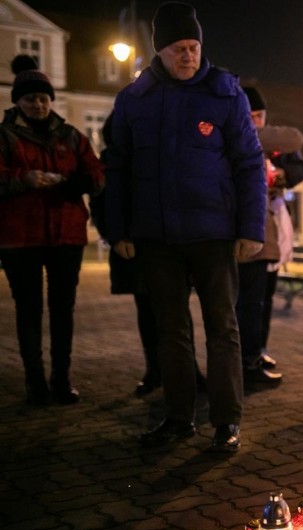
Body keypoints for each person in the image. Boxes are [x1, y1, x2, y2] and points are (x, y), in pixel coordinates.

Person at [105, 2, 267, 452]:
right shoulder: (134, 100)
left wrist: (252, 228)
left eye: (194, 47)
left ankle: (226, 422)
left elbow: (249, 163)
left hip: (214, 234)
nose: (188, 56)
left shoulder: (224, 92)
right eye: (178, 48)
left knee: (222, 328)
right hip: (156, 237)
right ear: (159, 51)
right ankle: (177, 418)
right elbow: (116, 167)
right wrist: (117, 230)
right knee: (170, 330)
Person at [0, 55, 104, 405]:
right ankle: (35, 382)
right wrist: (23, 179)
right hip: (20, 237)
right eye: (30, 99)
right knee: (28, 309)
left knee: (63, 309)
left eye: (43, 98)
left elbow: (97, 174)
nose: (39, 104)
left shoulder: (71, 136)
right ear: (18, 102)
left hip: (66, 235)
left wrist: (78, 183)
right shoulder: (5, 136)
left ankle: (62, 378)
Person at [89, 114, 205, 397]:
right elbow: (101, 205)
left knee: (177, 310)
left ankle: (188, 370)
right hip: (134, 248)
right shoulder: (108, 165)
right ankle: (155, 369)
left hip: (166, 245)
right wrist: (115, 237)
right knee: (147, 310)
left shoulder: (156, 158)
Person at [237, 85, 302, 384]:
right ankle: (247, 361)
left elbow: (296, 153)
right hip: (251, 233)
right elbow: (292, 138)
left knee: (261, 299)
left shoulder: (266, 142)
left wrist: (283, 178)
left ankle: (256, 351)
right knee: (249, 303)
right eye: (249, 115)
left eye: (259, 115)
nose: (254, 121)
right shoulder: (239, 135)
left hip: (270, 229)